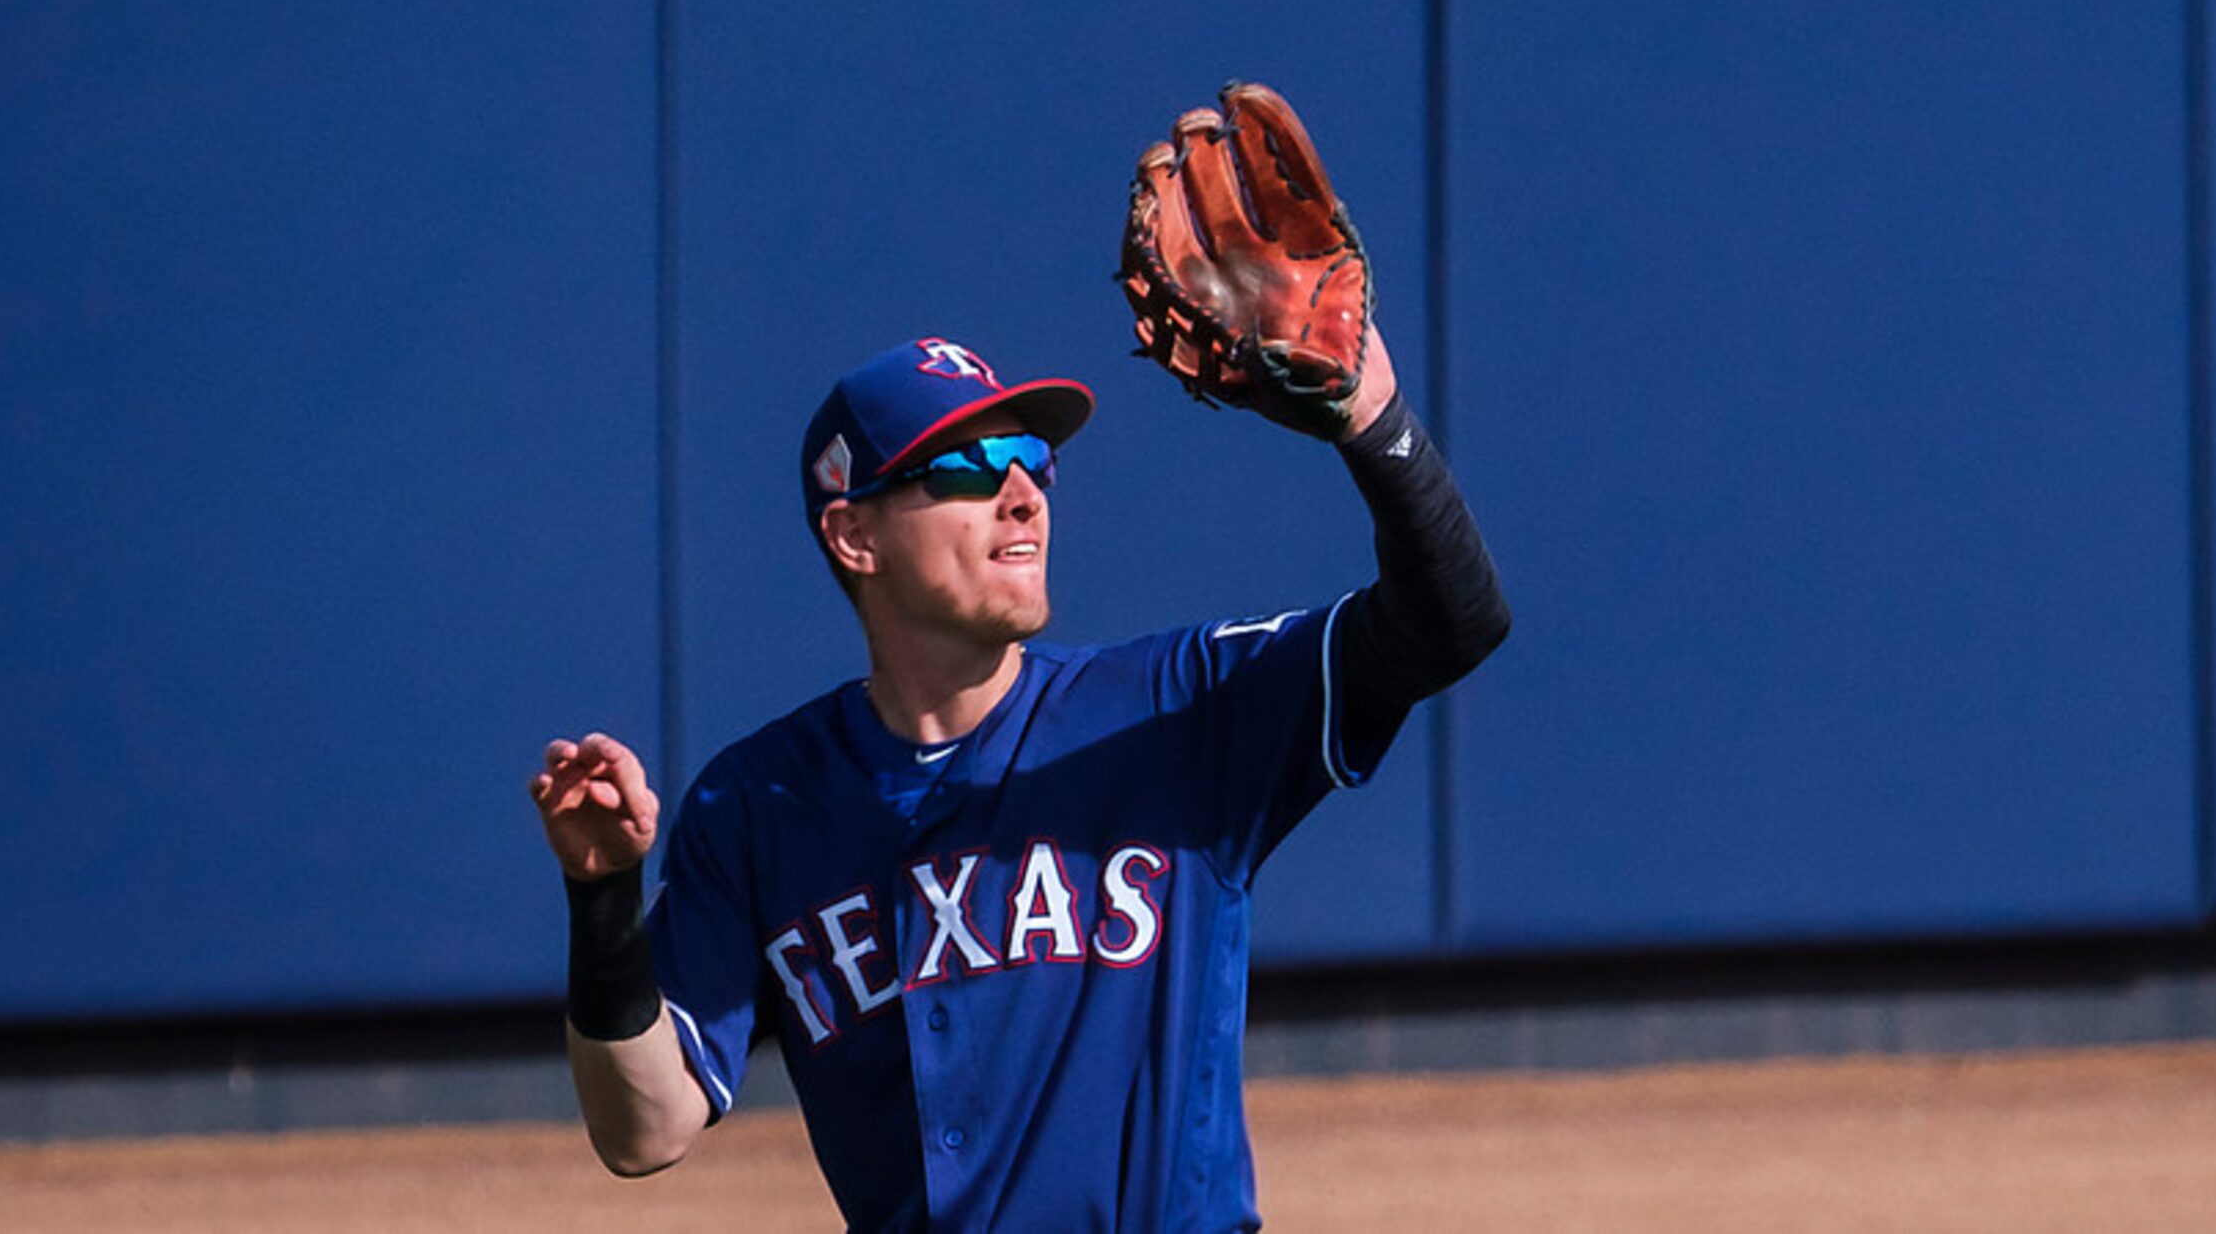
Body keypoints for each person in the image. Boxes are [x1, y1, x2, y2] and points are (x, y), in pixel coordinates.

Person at [529, 320, 1508, 1230]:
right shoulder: (756, 805)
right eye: (970, 466)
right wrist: (603, 900)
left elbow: (1451, 621)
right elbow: (643, 1130)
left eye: (1033, 461)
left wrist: (1371, 420)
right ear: (853, 536)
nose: (1024, 491)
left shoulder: (1176, 711)